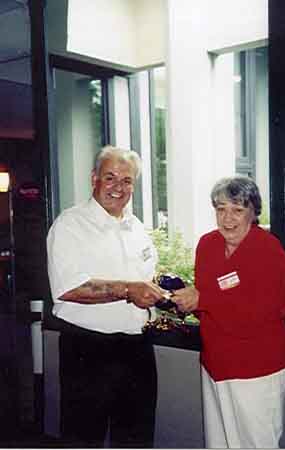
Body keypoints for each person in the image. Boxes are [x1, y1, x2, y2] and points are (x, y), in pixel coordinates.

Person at [47, 145, 167, 448]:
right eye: (110, 177)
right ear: (94, 179)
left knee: (137, 439)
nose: (118, 187)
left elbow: (144, 278)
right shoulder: (70, 225)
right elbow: (68, 288)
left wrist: (162, 291)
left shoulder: (135, 226)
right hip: (89, 351)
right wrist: (129, 290)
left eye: (127, 181)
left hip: (137, 350)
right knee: (83, 439)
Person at [172, 176, 285, 449]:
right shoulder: (207, 245)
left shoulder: (269, 250)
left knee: (256, 443)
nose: (228, 218)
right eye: (221, 209)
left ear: (253, 212)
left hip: (256, 369)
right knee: (220, 443)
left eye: (237, 210)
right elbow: (206, 305)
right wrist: (185, 301)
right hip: (215, 364)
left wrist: (203, 299)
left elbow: (262, 312)